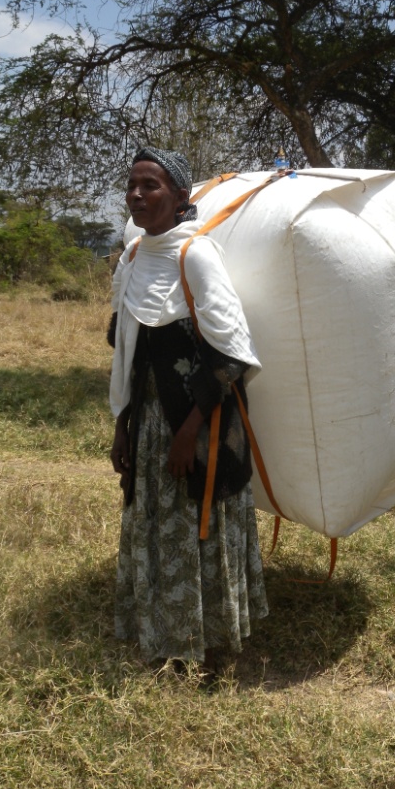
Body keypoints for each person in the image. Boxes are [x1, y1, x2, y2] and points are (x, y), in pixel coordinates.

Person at [108, 146, 268, 674]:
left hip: (203, 423)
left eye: (150, 185)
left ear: (180, 197)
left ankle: (209, 648)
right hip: (151, 422)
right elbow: (129, 352)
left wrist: (188, 433)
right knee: (157, 526)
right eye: (132, 184)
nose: (137, 194)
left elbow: (232, 355)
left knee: (199, 528)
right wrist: (123, 425)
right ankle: (164, 635)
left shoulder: (194, 255)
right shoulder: (132, 259)